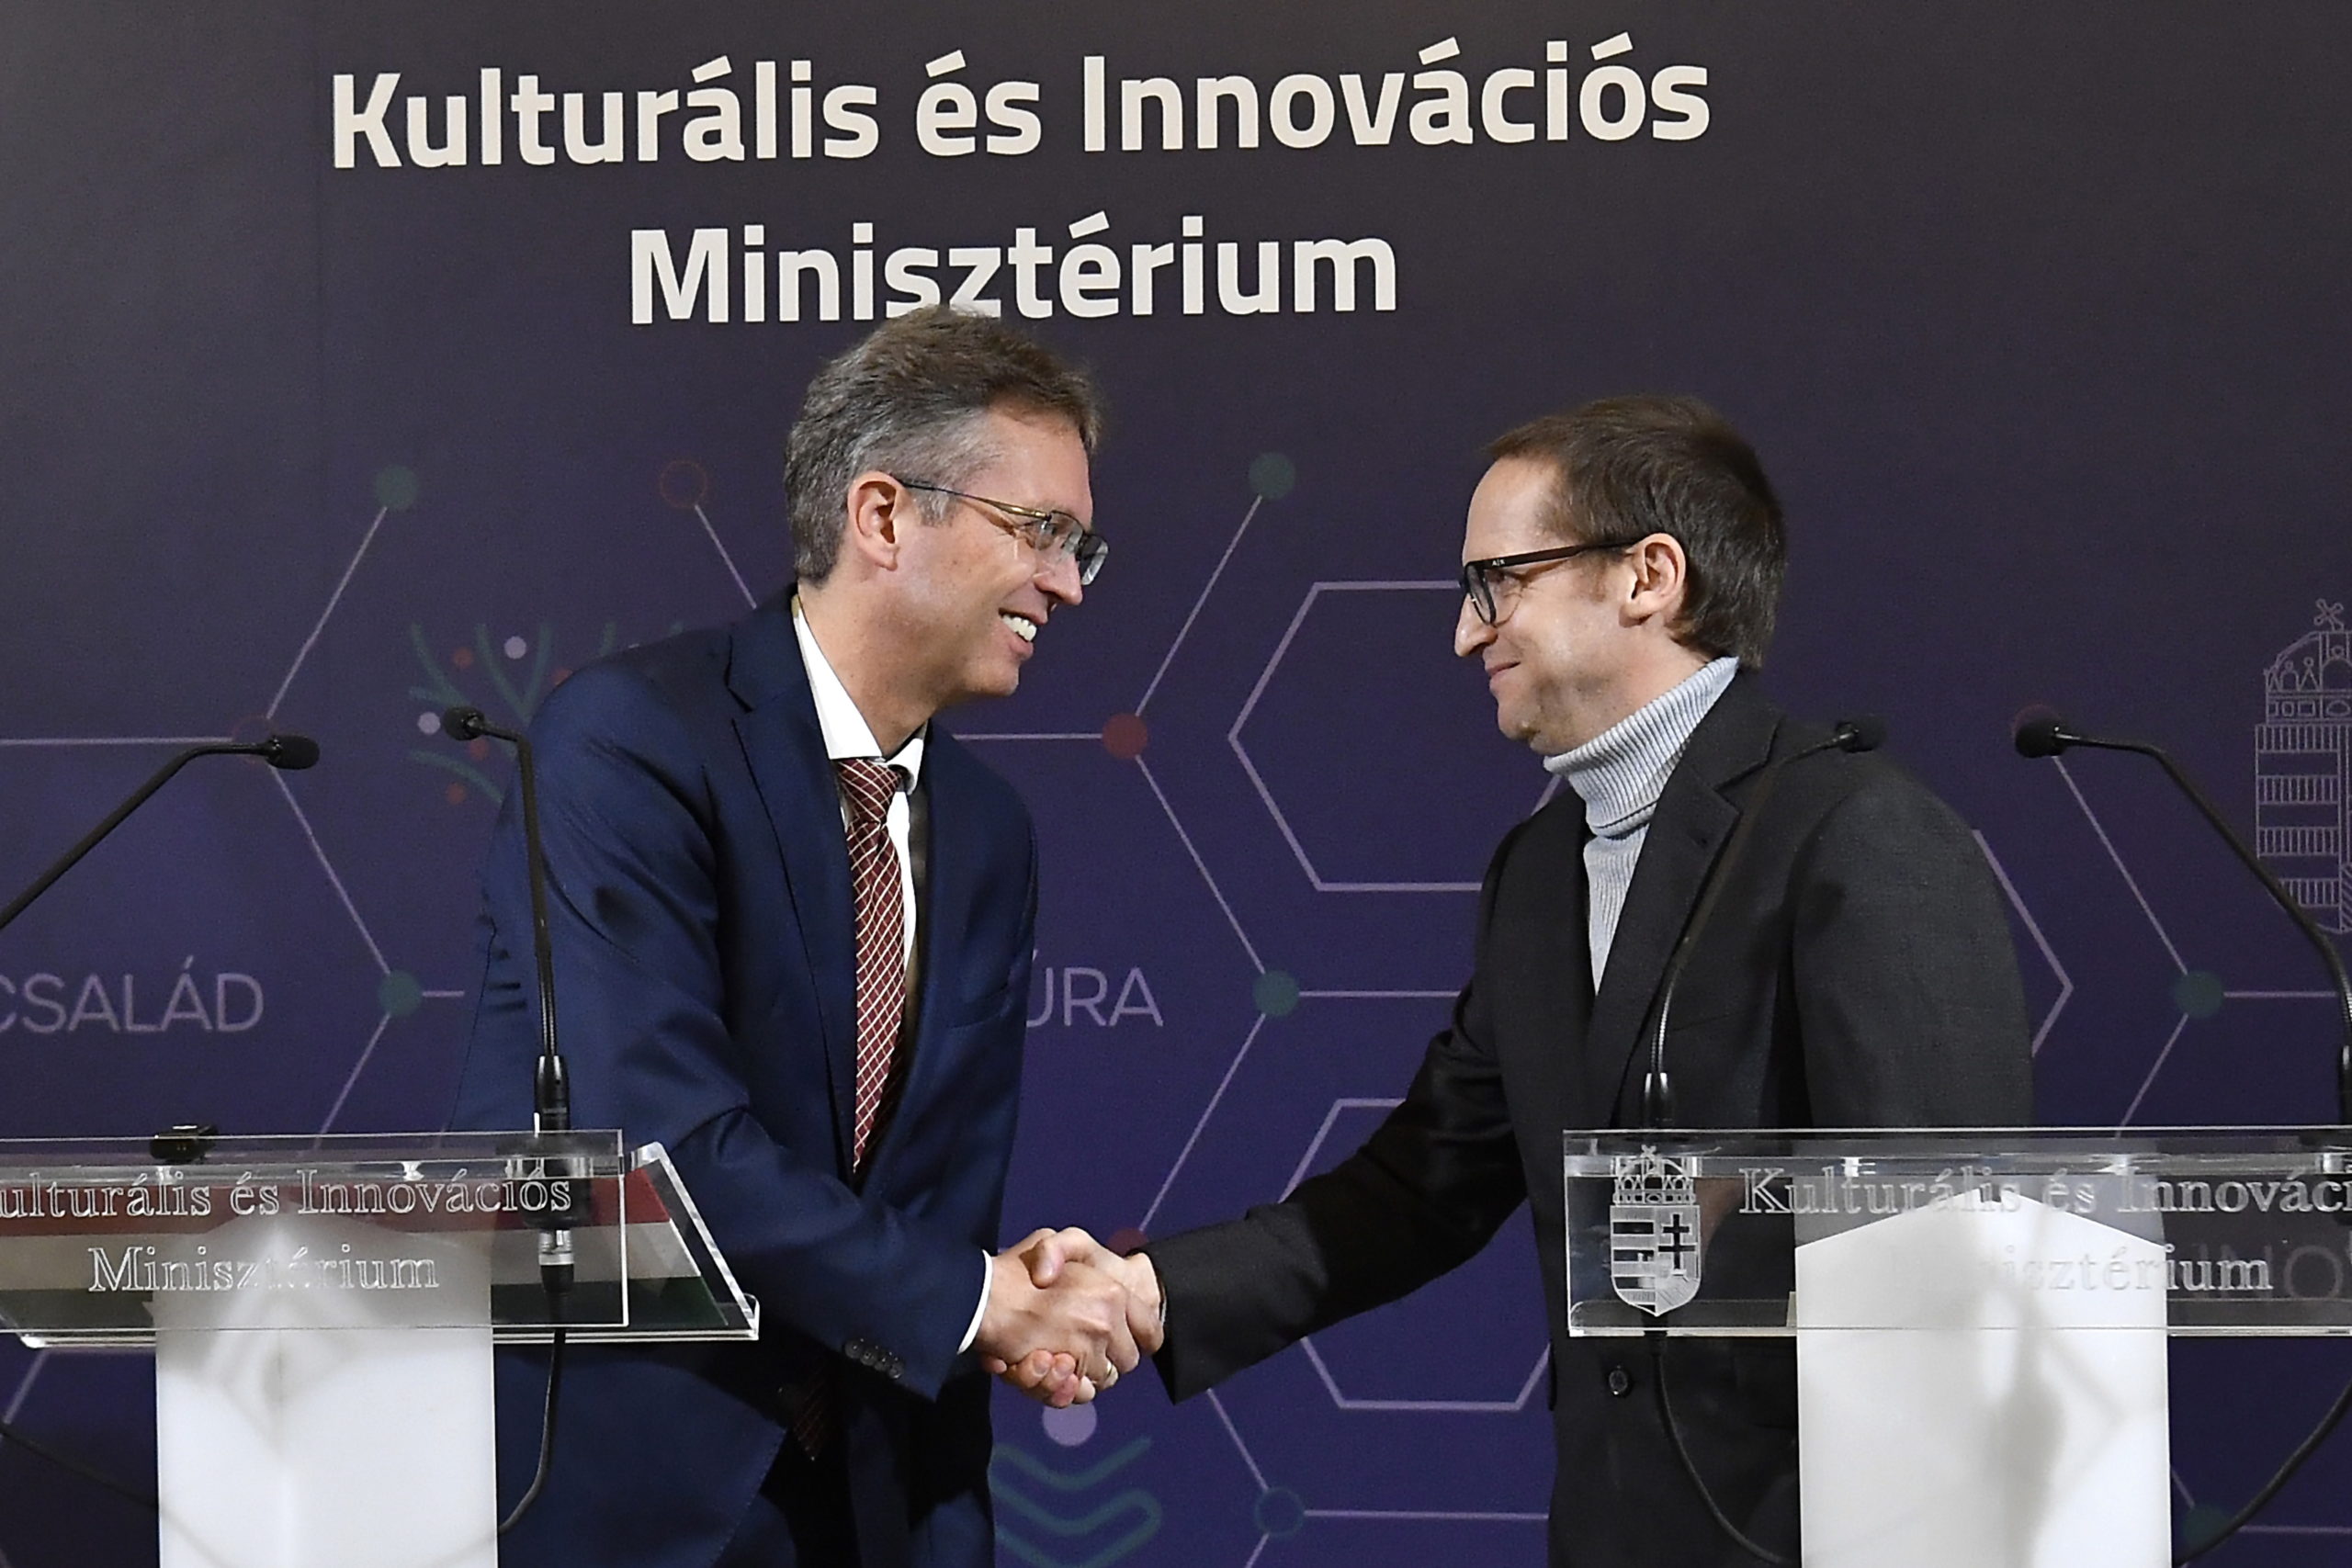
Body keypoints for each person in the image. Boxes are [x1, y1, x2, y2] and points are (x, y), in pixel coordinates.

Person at [1011, 395, 2034, 1566]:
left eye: (1497, 582)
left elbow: (1945, 1236)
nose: (1465, 633)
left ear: (1647, 577)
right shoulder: (1540, 870)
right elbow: (1423, 1185)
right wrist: (1152, 1294)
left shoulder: (1855, 831)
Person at [452, 307, 1155, 1568]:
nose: (1068, 582)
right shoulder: (627, 741)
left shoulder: (989, 830)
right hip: (633, 1505)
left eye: (1079, 543)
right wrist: (979, 1300)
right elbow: (661, 1146)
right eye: (1040, 531)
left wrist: (1000, 1307)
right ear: (882, 515)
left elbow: (939, 1196)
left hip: (886, 1506)